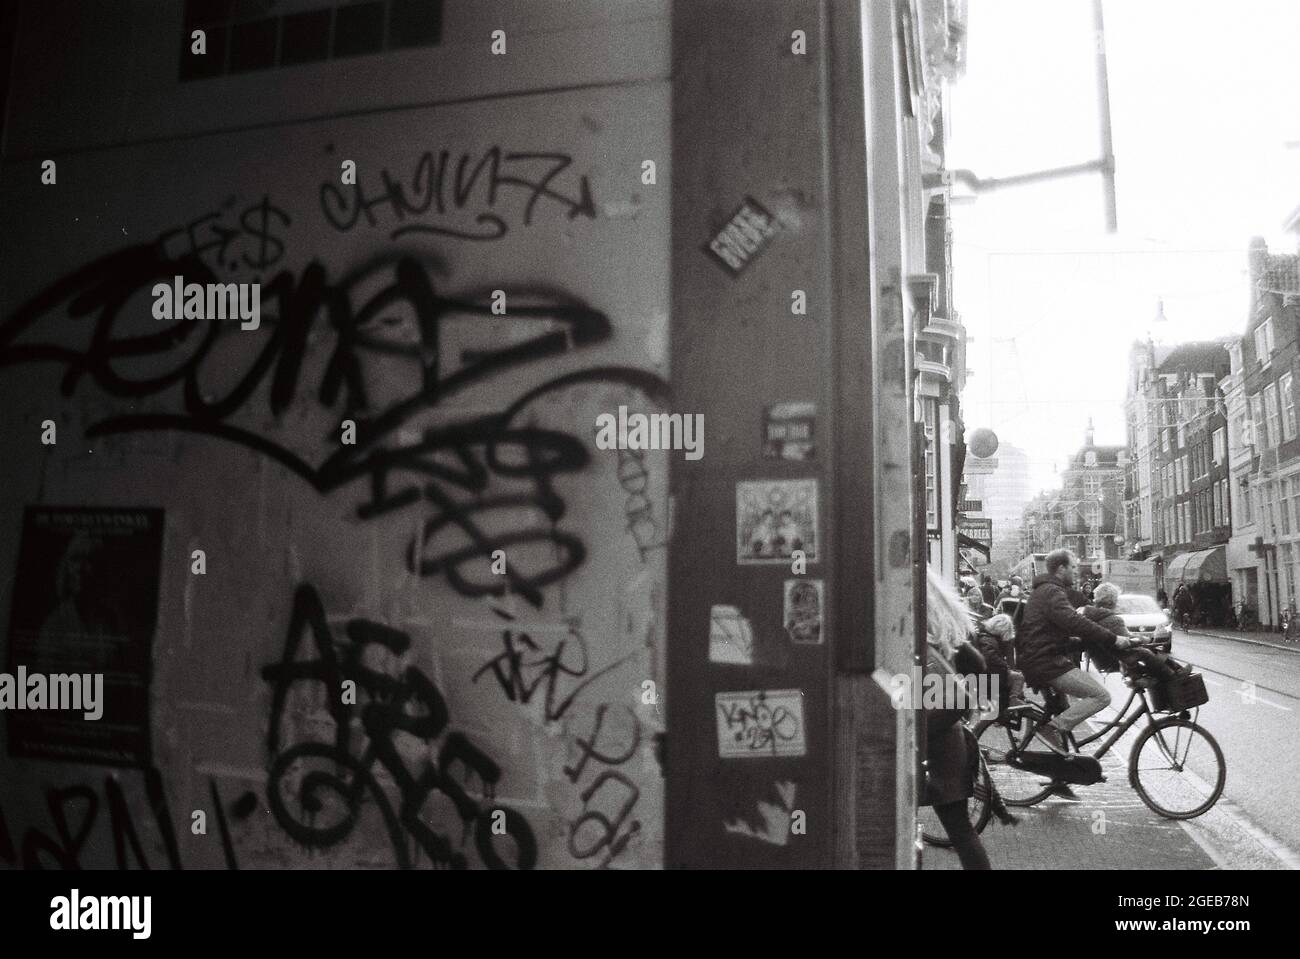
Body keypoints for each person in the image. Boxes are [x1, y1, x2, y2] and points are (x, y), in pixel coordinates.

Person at [1016, 549, 1133, 754]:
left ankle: (1061, 767)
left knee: (1061, 708)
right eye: (1073, 567)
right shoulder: (1052, 592)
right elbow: (1074, 621)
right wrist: (1113, 638)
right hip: (1045, 661)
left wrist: (1080, 642)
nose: (1076, 572)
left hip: (1039, 657)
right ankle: (1051, 729)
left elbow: (1051, 630)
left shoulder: (1044, 590)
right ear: (1061, 569)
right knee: (1100, 696)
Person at [920, 566, 992, 870]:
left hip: (921, 727)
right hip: (948, 734)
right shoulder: (944, 619)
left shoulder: (904, 620)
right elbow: (979, 665)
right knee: (960, 829)